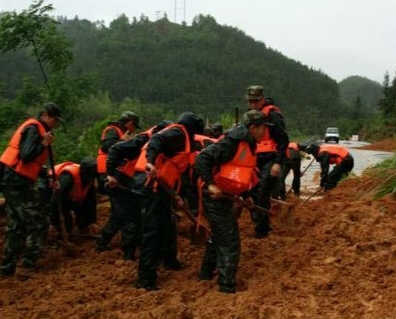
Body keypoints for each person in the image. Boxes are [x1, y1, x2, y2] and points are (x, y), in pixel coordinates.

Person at [194, 110, 269, 293]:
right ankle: (226, 286)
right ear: (253, 128)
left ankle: (205, 273)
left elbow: (238, 173)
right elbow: (202, 158)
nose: (265, 133)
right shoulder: (232, 142)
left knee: (220, 235)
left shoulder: (248, 144)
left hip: (226, 196)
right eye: (263, 128)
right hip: (214, 197)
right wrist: (210, 184)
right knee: (230, 240)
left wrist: (246, 195)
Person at [131, 112, 204, 291]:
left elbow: (175, 171)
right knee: (152, 231)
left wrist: (177, 195)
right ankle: (145, 279)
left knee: (166, 225)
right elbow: (156, 141)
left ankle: (169, 261)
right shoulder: (177, 134)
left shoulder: (182, 138)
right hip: (151, 185)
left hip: (162, 188)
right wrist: (150, 163)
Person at [0, 102, 62, 276]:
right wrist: (44, 143)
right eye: (55, 120)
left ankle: (6, 268)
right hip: (17, 183)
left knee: (17, 226)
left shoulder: (35, 128)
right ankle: (28, 263)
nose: (55, 124)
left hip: (12, 180)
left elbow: (30, 163)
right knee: (39, 221)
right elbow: (26, 156)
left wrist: (46, 176)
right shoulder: (34, 129)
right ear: (46, 115)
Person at [97, 120, 170, 259]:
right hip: (119, 180)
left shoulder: (158, 144)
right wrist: (110, 175)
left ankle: (106, 243)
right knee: (128, 218)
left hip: (131, 182)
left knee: (125, 216)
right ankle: (127, 255)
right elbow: (113, 149)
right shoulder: (142, 140)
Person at [245, 85, 289, 238]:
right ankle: (259, 218)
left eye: (255, 101)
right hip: (254, 159)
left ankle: (262, 230)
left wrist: (278, 162)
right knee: (250, 192)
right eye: (250, 101)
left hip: (271, 158)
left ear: (262, 99)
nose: (252, 104)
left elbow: (283, 140)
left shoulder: (273, 115)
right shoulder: (249, 116)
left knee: (263, 191)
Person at [50, 157, 98, 236]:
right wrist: (53, 223)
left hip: (69, 196)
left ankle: (82, 228)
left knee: (84, 208)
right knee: (66, 219)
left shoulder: (89, 178)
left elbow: (91, 201)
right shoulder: (68, 177)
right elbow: (56, 199)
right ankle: (61, 234)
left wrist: (92, 221)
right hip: (52, 193)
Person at [97, 111, 139, 193]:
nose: (134, 130)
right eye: (135, 126)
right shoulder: (112, 130)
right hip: (107, 169)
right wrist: (123, 141)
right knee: (118, 199)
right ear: (130, 123)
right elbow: (106, 146)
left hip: (113, 169)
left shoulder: (120, 132)